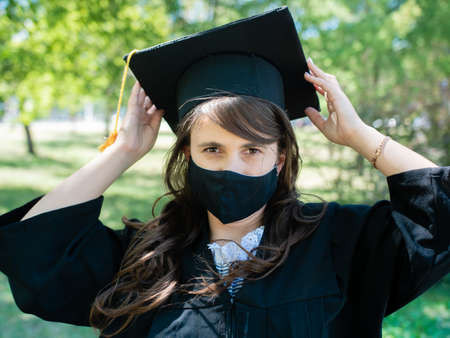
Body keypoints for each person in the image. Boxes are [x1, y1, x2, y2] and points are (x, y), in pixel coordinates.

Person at [0, 6, 449, 338]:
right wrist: (124, 150)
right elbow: (35, 246)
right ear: (188, 156)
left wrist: (360, 135)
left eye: (252, 149)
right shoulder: (141, 259)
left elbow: (440, 214)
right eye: (212, 148)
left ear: (279, 159)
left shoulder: (341, 243)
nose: (230, 166)